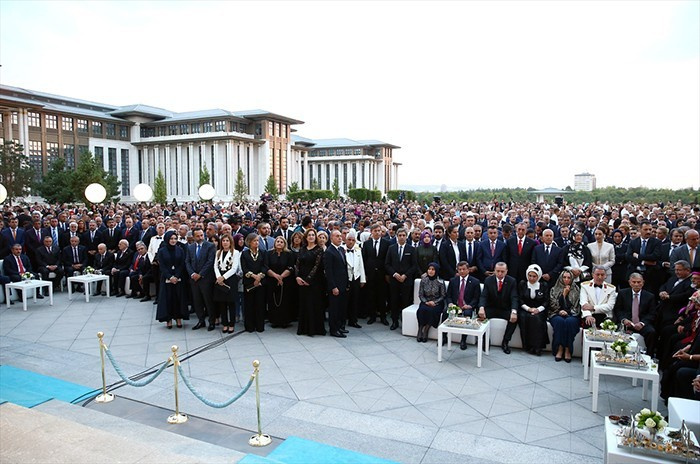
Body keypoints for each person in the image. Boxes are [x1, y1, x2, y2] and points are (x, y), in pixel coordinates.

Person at [478, 262, 519, 354]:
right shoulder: (488, 280)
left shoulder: (512, 281)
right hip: (491, 307)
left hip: (505, 308)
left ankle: (505, 342)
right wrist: (481, 307)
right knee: (480, 315)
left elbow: (514, 297)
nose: (500, 273)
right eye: (498, 271)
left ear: (506, 271)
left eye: (502, 271)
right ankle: (485, 340)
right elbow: (484, 296)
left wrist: (514, 311)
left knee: (514, 319)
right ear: (494, 271)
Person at [613, 273, 657, 357]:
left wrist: (642, 323)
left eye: (639, 282)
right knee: (618, 330)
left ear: (643, 283)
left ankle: (649, 356)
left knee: (652, 332)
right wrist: (624, 319)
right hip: (627, 322)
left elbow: (652, 314)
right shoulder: (622, 293)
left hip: (642, 323)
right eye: (634, 282)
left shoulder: (650, 296)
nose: (636, 284)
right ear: (630, 282)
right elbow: (618, 310)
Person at [155, 231, 188, 329]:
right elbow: (162, 266)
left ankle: (178, 318)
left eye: (175, 238)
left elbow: (182, 264)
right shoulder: (162, 251)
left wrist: (176, 276)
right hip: (166, 278)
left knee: (178, 298)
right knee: (167, 298)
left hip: (178, 278)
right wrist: (170, 277)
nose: (173, 241)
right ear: (167, 239)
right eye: (171, 239)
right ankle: (168, 319)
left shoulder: (180, 250)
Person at [296, 228, 326, 336]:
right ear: (306, 237)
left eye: (313, 235)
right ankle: (304, 328)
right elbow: (298, 264)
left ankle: (314, 329)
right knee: (304, 304)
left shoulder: (319, 249)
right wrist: (297, 277)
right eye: (309, 235)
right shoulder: (302, 249)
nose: (311, 237)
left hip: (315, 281)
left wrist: (308, 279)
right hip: (301, 280)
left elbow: (317, 266)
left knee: (314, 304)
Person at [385, 228, 416, 330]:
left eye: (403, 235)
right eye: (400, 235)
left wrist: (405, 275)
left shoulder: (411, 249)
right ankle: (394, 321)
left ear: (406, 236)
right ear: (397, 236)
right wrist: (394, 274)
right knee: (394, 301)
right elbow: (387, 264)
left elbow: (414, 266)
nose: (402, 237)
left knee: (405, 302)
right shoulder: (391, 248)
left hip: (406, 280)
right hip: (394, 280)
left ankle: (405, 322)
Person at [186, 227, 217, 331]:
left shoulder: (210, 246)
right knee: (197, 301)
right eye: (197, 236)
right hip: (194, 279)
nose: (200, 237)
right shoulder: (190, 247)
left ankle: (212, 322)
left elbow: (210, 261)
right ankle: (201, 320)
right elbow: (187, 262)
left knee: (208, 301)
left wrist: (200, 274)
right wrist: (192, 274)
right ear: (194, 237)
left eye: (201, 235)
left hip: (206, 279)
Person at [446, 261, 481, 350]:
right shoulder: (453, 280)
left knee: (467, 314)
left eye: (464, 269)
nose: (461, 271)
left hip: (467, 306)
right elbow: (448, 295)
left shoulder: (475, 282)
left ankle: (463, 340)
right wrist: (450, 303)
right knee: (445, 312)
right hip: (455, 305)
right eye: (459, 269)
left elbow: (476, 298)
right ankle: (443, 337)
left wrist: (470, 305)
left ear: (468, 270)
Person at [549, 270, 581, 362]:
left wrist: (568, 312)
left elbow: (577, 306)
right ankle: (559, 348)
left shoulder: (576, 289)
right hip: (556, 313)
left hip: (572, 314)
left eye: (569, 277)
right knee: (560, 322)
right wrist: (563, 295)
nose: (566, 279)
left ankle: (567, 349)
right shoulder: (554, 289)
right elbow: (552, 305)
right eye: (564, 277)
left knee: (569, 322)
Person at [517, 264, 550, 356]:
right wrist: (528, 309)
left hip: (539, 309)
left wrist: (538, 309)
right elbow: (520, 299)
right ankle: (528, 346)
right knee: (524, 318)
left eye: (534, 276)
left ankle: (537, 346)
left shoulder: (544, 285)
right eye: (529, 276)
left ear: (538, 276)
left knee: (537, 319)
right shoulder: (522, 284)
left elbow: (546, 301)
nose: (531, 278)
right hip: (525, 308)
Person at [264, 236, 295, 328]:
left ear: (284, 243)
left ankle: (285, 321)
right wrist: (275, 276)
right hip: (272, 280)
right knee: (273, 300)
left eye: (281, 242)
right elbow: (266, 267)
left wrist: (281, 277)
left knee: (285, 300)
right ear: (274, 243)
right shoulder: (269, 253)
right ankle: (274, 320)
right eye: (278, 241)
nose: (279, 243)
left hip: (285, 280)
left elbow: (290, 267)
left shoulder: (289, 253)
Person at [362, 224, 390, 325]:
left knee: (382, 296)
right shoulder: (367, 244)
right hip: (370, 273)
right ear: (371, 232)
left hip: (382, 274)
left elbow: (388, 259)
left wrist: (387, 274)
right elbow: (364, 259)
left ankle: (383, 316)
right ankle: (372, 316)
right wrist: (364, 273)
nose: (378, 232)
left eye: (379, 231)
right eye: (376, 231)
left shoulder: (386, 243)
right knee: (371, 295)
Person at [214, 234, 241, 334]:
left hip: (230, 279)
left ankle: (231, 324)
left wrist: (223, 277)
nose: (225, 242)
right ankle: (224, 323)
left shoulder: (235, 252)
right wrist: (218, 277)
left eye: (227, 241)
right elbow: (215, 266)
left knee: (231, 303)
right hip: (219, 279)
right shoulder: (218, 252)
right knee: (222, 303)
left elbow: (234, 268)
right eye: (223, 241)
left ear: (231, 242)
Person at [324, 230, 350, 338]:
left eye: (341, 236)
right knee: (334, 309)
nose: (340, 238)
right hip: (335, 285)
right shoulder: (329, 252)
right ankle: (333, 329)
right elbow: (328, 272)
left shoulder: (341, 249)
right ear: (331, 238)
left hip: (342, 284)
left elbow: (344, 267)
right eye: (337, 236)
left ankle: (339, 326)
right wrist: (333, 286)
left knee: (341, 308)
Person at [240, 233, 267, 332]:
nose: (257, 242)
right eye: (254, 241)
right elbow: (244, 268)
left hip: (260, 282)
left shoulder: (263, 252)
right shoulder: (245, 254)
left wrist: (259, 277)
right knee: (249, 304)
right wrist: (253, 276)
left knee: (260, 304)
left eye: (257, 240)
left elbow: (265, 266)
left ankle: (260, 326)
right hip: (249, 282)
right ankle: (249, 326)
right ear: (249, 242)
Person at [415, 262, 446, 343]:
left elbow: (443, 296)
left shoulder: (440, 282)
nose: (430, 271)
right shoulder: (423, 280)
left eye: (433, 269)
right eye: (429, 269)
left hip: (437, 302)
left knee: (432, 311)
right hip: (425, 301)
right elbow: (421, 294)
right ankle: (420, 329)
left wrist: (434, 302)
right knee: (421, 310)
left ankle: (426, 331)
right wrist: (426, 302)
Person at [343, 229, 365, 329]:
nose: (351, 242)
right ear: (345, 240)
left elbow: (361, 266)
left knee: (355, 300)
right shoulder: (342, 250)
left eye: (353, 240)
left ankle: (353, 320)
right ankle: (342, 321)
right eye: (349, 239)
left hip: (356, 278)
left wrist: (362, 280)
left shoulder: (358, 251)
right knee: (345, 301)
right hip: (346, 279)